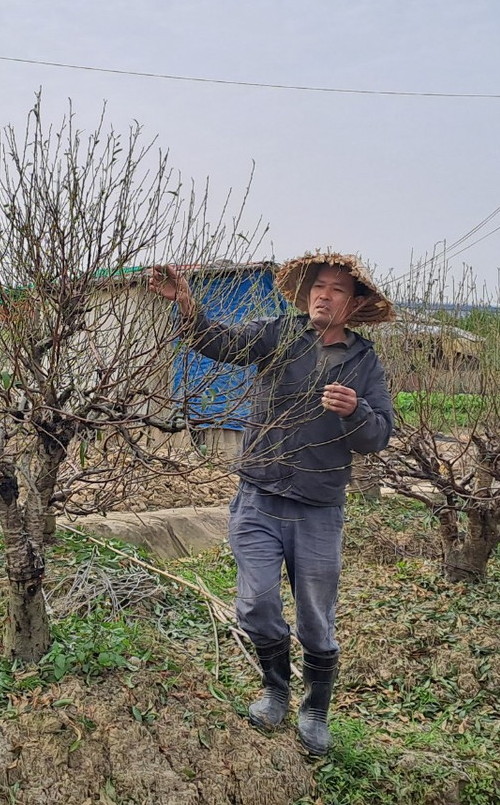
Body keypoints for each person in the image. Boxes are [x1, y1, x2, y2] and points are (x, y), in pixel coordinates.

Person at [148, 253, 395, 754]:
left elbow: (379, 435)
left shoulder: (364, 362)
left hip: (319, 508)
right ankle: (276, 689)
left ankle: (316, 709)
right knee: (257, 603)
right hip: (258, 496)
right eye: (318, 287)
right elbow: (219, 341)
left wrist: (357, 411)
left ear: (355, 304)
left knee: (315, 618)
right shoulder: (277, 334)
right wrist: (188, 306)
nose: (323, 295)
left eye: (337, 290)